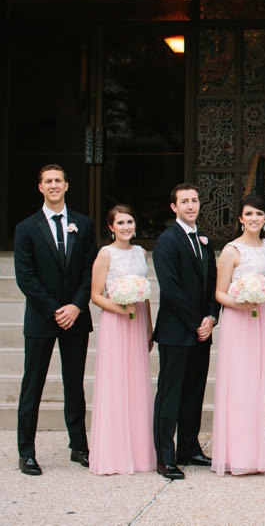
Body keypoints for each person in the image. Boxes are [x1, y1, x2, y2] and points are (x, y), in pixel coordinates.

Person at [14, 162, 96, 476]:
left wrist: (75, 306)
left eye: (58, 180)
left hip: (76, 317)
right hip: (41, 318)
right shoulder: (26, 228)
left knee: (74, 384)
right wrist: (54, 310)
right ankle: (26, 452)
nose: (53, 185)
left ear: (66, 185)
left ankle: (79, 446)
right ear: (40, 187)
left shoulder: (83, 224)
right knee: (32, 385)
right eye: (47, 181)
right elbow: (26, 277)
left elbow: (91, 268)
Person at [151, 182, 218, 479]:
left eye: (194, 200)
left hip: (202, 330)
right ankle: (165, 457)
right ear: (174, 207)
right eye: (184, 201)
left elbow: (213, 282)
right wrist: (196, 321)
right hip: (176, 332)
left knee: (194, 392)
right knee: (170, 394)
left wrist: (211, 318)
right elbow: (172, 289)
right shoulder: (167, 240)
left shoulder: (204, 240)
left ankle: (189, 448)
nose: (191, 206)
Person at [211, 193, 265, 476]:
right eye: (249, 214)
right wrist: (241, 301)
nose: (254, 219)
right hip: (239, 321)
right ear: (240, 218)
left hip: (264, 318)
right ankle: (234, 455)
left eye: (259, 214)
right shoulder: (231, 250)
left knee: (259, 384)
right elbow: (219, 292)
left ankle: (257, 454)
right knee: (239, 385)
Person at [88, 203, 156, 475]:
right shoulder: (105, 254)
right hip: (116, 321)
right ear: (111, 227)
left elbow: (146, 292)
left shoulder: (140, 253)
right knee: (116, 382)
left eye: (130, 222)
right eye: (121, 223)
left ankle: (139, 452)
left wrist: (149, 327)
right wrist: (120, 308)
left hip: (137, 320)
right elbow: (95, 294)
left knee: (138, 382)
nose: (126, 227)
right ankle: (114, 453)